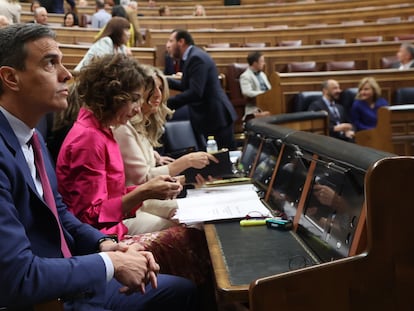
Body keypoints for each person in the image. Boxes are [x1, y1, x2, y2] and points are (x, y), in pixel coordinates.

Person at [0, 22, 196, 311]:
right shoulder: (81, 139)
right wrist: (110, 262)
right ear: (11, 78)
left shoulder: (34, 138)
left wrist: (104, 245)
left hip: (73, 270)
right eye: (50, 63)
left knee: (183, 291)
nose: (67, 75)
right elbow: (19, 277)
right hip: (47, 298)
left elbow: (60, 213)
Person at [113, 66, 218, 233]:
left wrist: (184, 176)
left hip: (145, 200)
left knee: (199, 218)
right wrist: (186, 162)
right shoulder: (123, 128)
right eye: (151, 88)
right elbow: (143, 180)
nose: (157, 95)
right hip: (133, 206)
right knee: (185, 229)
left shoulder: (141, 124)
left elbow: (147, 170)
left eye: (161, 88)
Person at [166, 29, 238, 150]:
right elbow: (187, 86)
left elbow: (195, 92)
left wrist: (167, 103)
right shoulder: (193, 56)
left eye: (170, 41)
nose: (167, 45)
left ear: (181, 42)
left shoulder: (196, 58)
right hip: (211, 116)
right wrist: (164, 81)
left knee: (224, 158)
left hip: (216, 116)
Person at [239, 51, 271, 120]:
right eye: (262, 61)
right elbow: (247, 92)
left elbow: (270, 89)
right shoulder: (245, 76)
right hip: (255, 107)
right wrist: (264, 94)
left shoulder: (262, 74)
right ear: (255, 63)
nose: (264, 64)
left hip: (269, 103)